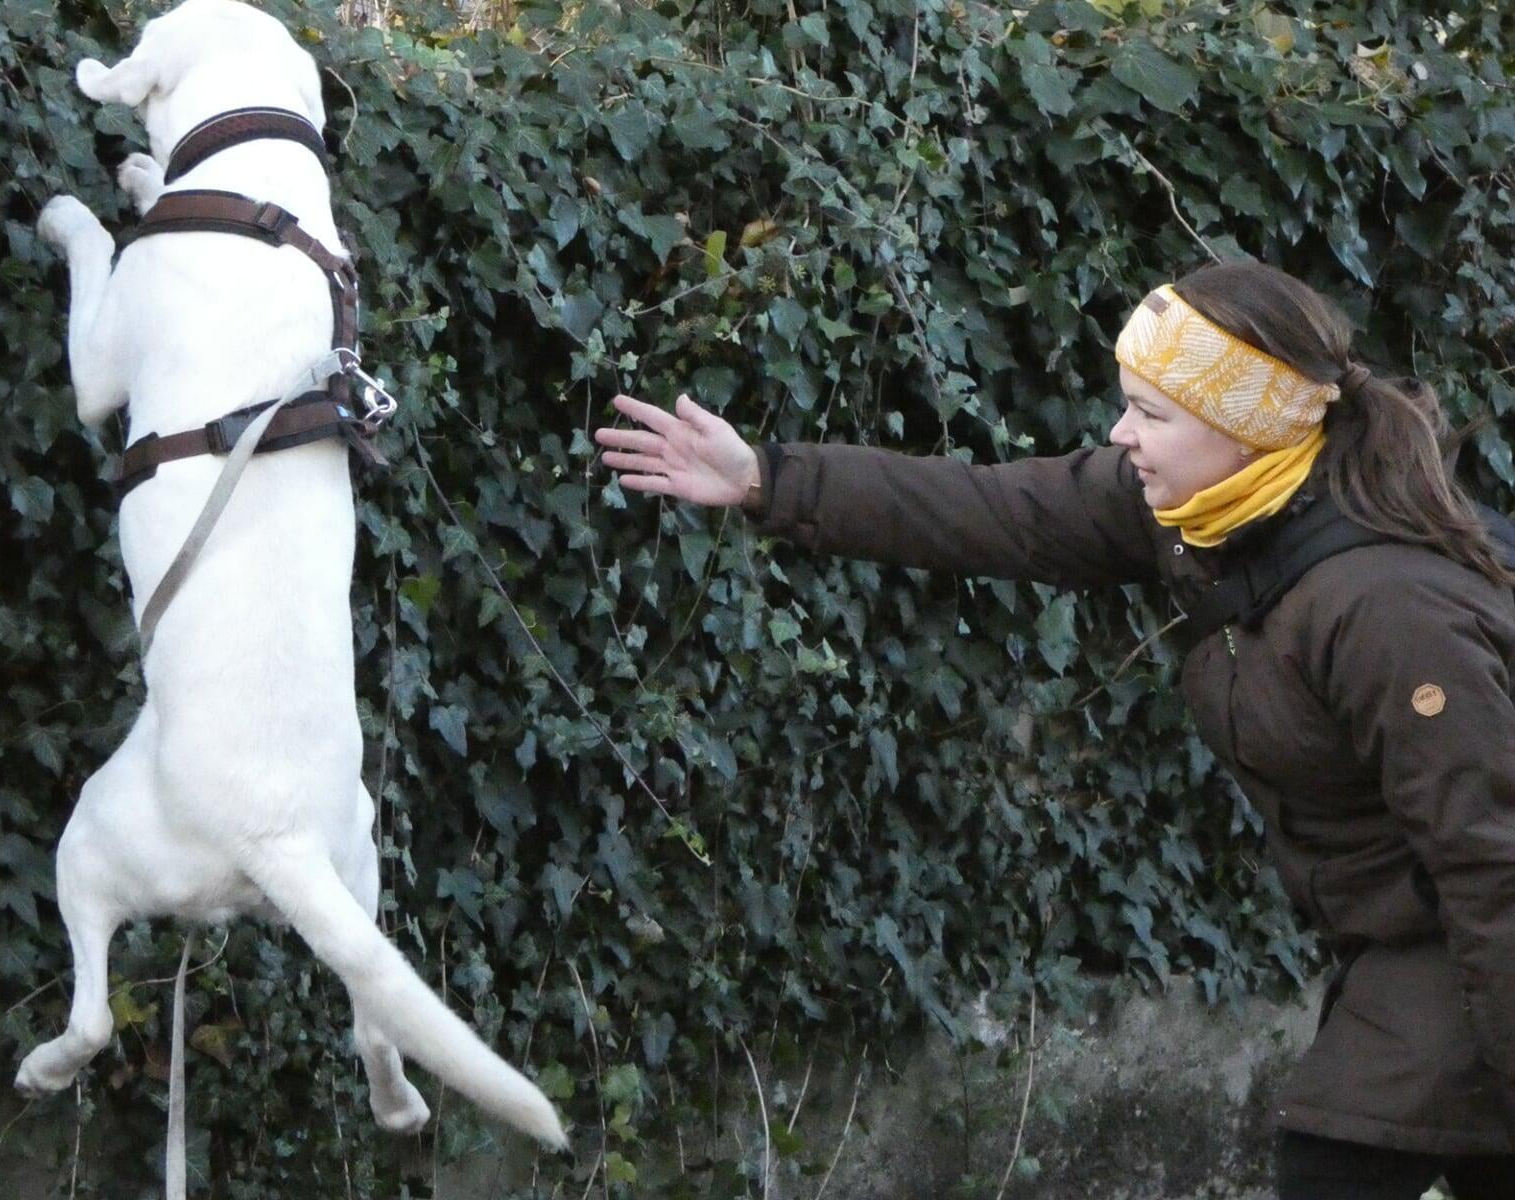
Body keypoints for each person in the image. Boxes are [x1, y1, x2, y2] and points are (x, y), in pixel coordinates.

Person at [594, 260, 1515, 1200]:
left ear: (1247, 426)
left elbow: (1493, 859)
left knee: (1338, 1156)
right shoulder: (1206, 512)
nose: (1123, 435)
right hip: (1404, 946)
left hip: (1468, 945)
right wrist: (767, 481)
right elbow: (998, 514)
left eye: (1152, 414)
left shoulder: (1389, 608)